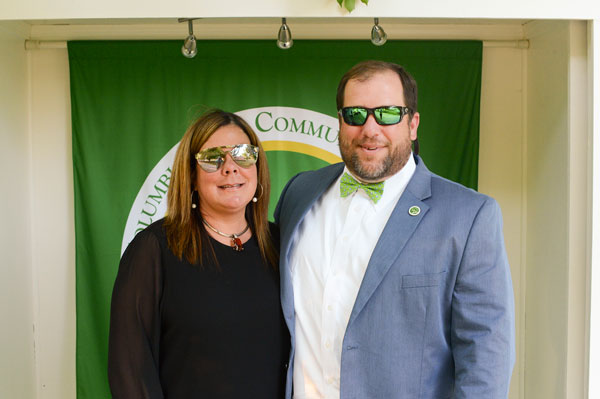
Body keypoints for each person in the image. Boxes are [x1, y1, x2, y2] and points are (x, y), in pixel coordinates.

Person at [274, 61, 515, 398]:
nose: (370, 130)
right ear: (340, 122)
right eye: (355, 114)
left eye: (387, 114)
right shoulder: (298, 193)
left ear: (413, 124)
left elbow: (486, 358)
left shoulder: (470, 216)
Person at [108, 109, 289, 398]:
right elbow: (131, 370)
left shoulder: (282, 244)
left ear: (257, 166)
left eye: (243, 154)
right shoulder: (154, 249)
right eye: (212, 158)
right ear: (190, 176)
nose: (230, 167)